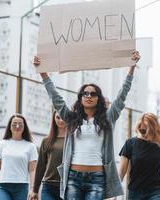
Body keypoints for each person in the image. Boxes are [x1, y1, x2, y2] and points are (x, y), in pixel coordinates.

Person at [33, 51, 140, 200]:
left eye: (93, 94)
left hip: (97, 178)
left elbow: (122, 96)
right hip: (73, 178)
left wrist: (131, 68)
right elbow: (55, 97)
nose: (89, 96)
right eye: (85, 93)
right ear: (80, 98)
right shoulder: (71, 119)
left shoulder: (108, 118)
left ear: (99, 98)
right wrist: (43, 73)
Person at [0, 113, 38, 200]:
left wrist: (32, 189)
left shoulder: (31, 146)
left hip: (21, 187)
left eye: (20, 124)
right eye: (14, 124)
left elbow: (32, 170)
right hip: (2, 186)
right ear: (10, 127)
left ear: (24, 127)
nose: (17, 126)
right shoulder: (1, 144)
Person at [29, 111, 67, 200]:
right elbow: (40, 166)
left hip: (67, 187)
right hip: (48, 186)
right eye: (58, 117)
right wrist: (35, 190)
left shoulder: (73, 140)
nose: (61, 120)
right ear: (54, 118)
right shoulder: (46, 141)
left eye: (63, 117)